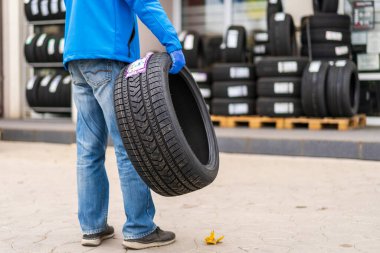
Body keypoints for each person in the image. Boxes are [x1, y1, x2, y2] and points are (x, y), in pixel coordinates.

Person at [63, 0, 186, 250]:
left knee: (88, 150)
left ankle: (92, 228)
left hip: (77, 56)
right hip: (109, 54)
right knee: (130, 146)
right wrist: (172, 42)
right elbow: (146, 3)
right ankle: (140, 229)